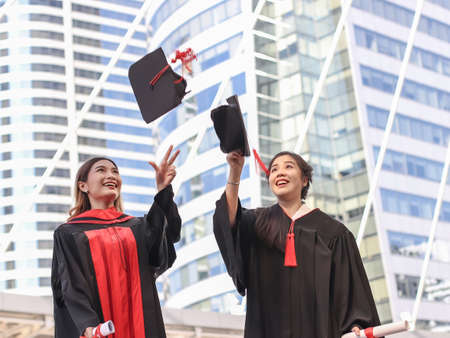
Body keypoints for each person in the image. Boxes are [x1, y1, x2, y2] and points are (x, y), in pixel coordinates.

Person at [213, 150, 381, 338]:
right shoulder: (255, 224)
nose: (280, 172)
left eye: (288, 166)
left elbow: (350, 289)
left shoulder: (333, 233)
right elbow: (227, 223)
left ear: (305, 180)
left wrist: (356, 324)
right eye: (274, 169)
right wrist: (235, 171)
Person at [51, 146, 181, 338]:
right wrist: (88, 326)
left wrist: (163, 190)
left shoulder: (137, 227)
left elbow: (163, 244)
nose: (111, 175)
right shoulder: (69, 233)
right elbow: (70, 284)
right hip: (100, 328)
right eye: (101, 170)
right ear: (83, 186)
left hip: (141, 326)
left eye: (115, 172)